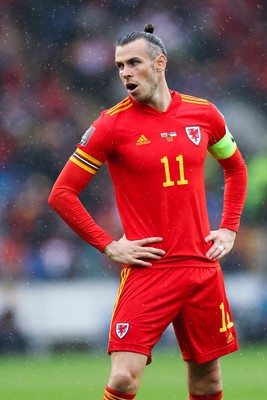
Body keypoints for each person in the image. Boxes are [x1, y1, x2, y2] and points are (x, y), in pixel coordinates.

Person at [48, 24, 247, 400]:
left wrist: (229, 229)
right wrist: (108, 245)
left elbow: (236, 168)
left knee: (209, 382)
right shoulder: (111, 124)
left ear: (159, 64)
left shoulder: (203, 114)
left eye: (133, 63)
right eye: (119, 65)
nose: (124, 72)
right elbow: (62, 193)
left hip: (201, 267)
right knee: (123, 378)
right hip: (148, 269)